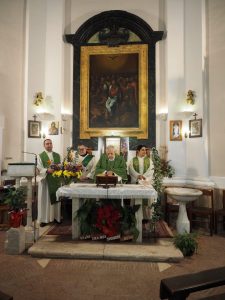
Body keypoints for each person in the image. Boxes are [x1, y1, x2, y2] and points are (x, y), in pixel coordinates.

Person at [37, 139, 61, 226]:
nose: (49, 145)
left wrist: (58, 167)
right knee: (44, 200)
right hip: (45, 181)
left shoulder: (57, 155)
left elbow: (61, 165)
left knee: (56, 198)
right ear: (44, 145)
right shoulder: (40, 156)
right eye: (47, 144)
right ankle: (44, 219)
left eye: (50, 143)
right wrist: (47, 170)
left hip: (55, 181)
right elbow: (38, 167)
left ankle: (56, 217)